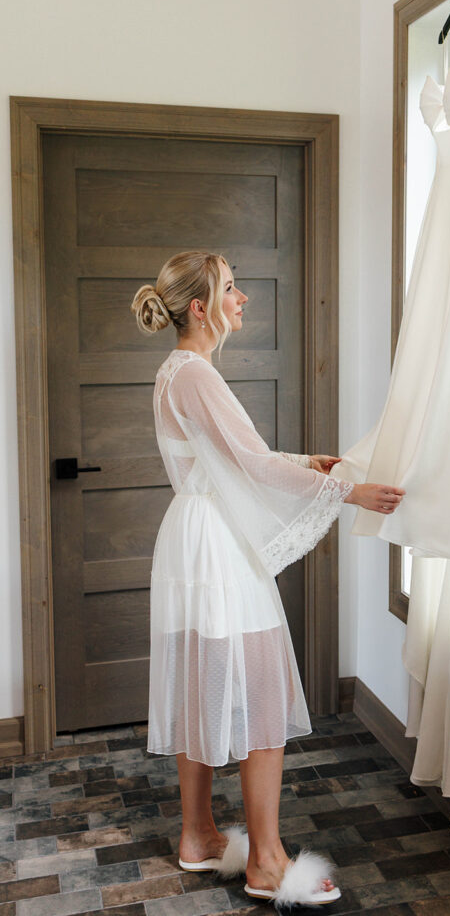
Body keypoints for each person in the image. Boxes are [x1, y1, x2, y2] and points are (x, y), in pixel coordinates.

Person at [131, 250, 405, 906]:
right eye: (231, 287)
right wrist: (346, 488)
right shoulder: (196, 374)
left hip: (191, 540)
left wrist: (302, 459)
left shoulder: (177, 371)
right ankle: (266, 861)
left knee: (202, 687)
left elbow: (230, 456)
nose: (242, 297)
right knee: (258, 700)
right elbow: (249, 465)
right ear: (200, 307)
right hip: (214, 548)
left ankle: (197, 837)